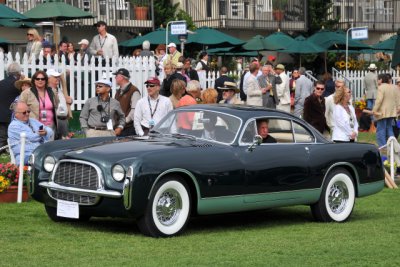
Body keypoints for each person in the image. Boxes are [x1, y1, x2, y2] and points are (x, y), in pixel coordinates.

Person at [19, 70, 59, 139]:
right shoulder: (26, 93)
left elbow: (57, 105)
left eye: (42, 79)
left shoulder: (52, 91)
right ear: (34, 80)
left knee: (50, 147)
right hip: (34, 125)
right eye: (37, 79)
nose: (40, 80)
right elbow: (20, 109)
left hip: (51, 125)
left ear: (46, 80)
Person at [372, 73, 400, 147]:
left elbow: (379, 100)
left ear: (381, 80)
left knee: (380, 131)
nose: (377, 81)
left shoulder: (381, 87)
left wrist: (374, 110)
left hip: (382, 112)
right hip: (391, 112)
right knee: (389, 129)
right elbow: (398, 99)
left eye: (378, 79)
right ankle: (393, 146)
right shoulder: (394, 87)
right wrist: (398, 107)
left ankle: (383, 148)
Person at [0, 63, 23, 149]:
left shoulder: (1, 83)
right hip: (13, 114)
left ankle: (1, 153)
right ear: (18, 73)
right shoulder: (17, 84)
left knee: (2, 136)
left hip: (1, 114)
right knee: (14, 136)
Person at [113, 68, 140, 136]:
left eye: (116, 76)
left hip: (128, 128)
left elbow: (134, 112)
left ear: (121, 77)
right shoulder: (118, 91)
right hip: (119, 127)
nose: (115, 77)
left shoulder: (134, 91)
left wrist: (121, 125)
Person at [47, 69, 72, 139]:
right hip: (54, 121)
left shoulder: (60, 90)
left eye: (58, 77)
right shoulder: (47, 91)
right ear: (48, 79)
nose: (58, 79)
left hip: (63, 120)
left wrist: (70, 101)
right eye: (55, 77)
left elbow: (64, 102)